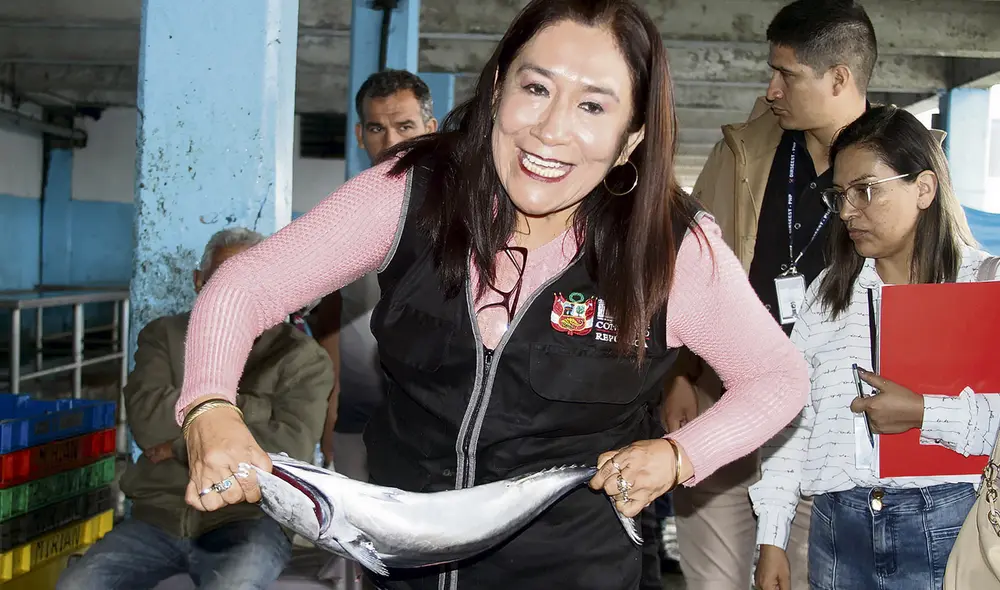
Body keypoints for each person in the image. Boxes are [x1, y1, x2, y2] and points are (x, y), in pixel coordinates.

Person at [174, 1, 810, 588]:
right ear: (499, 86)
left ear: (632, 137)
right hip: (404, 565)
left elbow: (777, 379)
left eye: (594, 107)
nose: (551, 130)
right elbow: (244, 284)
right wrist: (209, 406)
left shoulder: (671, 248)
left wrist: (679, 455)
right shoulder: (409, 193)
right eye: (536, 89)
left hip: (572, 569)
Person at [662, 2, 877, 587]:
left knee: (807, 575)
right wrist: (681, 374)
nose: (771, 88)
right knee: (713, 577)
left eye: (788, 75)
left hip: (835, 415)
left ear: (839, 78)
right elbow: (689, 267)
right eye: (771, 70)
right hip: (722, 398)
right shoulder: (743, 151)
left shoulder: (903, 167)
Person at [751, 105, 999, 590]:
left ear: (923, 189)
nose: (846, 211)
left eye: (865, 191)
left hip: (950, 525)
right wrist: (772, 537)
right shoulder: (828, 292)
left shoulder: (985, 286)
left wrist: (927, 413)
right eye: (839, 195)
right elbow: (793, 420)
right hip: (836, 531)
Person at [56, 228, 334, 590]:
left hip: (248, 521)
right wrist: (256, 410)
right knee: (76, 585)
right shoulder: (164, 336)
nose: (234, 293)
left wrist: (177, 445)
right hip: (156, 520)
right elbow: (146, 421)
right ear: (198, 282)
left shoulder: (302, 359)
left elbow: (288, 452)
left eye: (248, 279)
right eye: (221, 279)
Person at [312, 69, 440, 475]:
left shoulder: (459, 215)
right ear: (359, 135)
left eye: (405, 126)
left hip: (438, 421)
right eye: (376, 128)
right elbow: (329, 320)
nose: (392, 142)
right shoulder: (343, 215)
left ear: (430, 129)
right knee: (356, 535)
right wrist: (329, 413)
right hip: (358, 417)